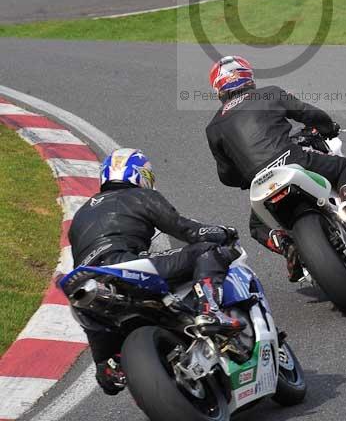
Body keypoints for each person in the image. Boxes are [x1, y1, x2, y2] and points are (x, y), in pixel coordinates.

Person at [68, 148, 243, 396]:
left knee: (96, 326)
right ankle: (211, 310)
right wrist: (222, 232)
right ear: (140, 175)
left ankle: (106, 365)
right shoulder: (140, 196)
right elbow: (187, 231)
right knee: (205, 251)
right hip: (125, 264)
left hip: (88, 280)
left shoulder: (81, 213)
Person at [206, 56, 346, 282]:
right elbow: (307, 113)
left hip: (260, 181)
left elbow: (226, 174)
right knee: (345, 167)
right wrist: (328, 127)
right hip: (292, 160)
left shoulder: (213, 127)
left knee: (257, 227)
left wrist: (245, 177)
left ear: (219, 88)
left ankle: (289, 248)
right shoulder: (268, 93)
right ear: (247, 77)